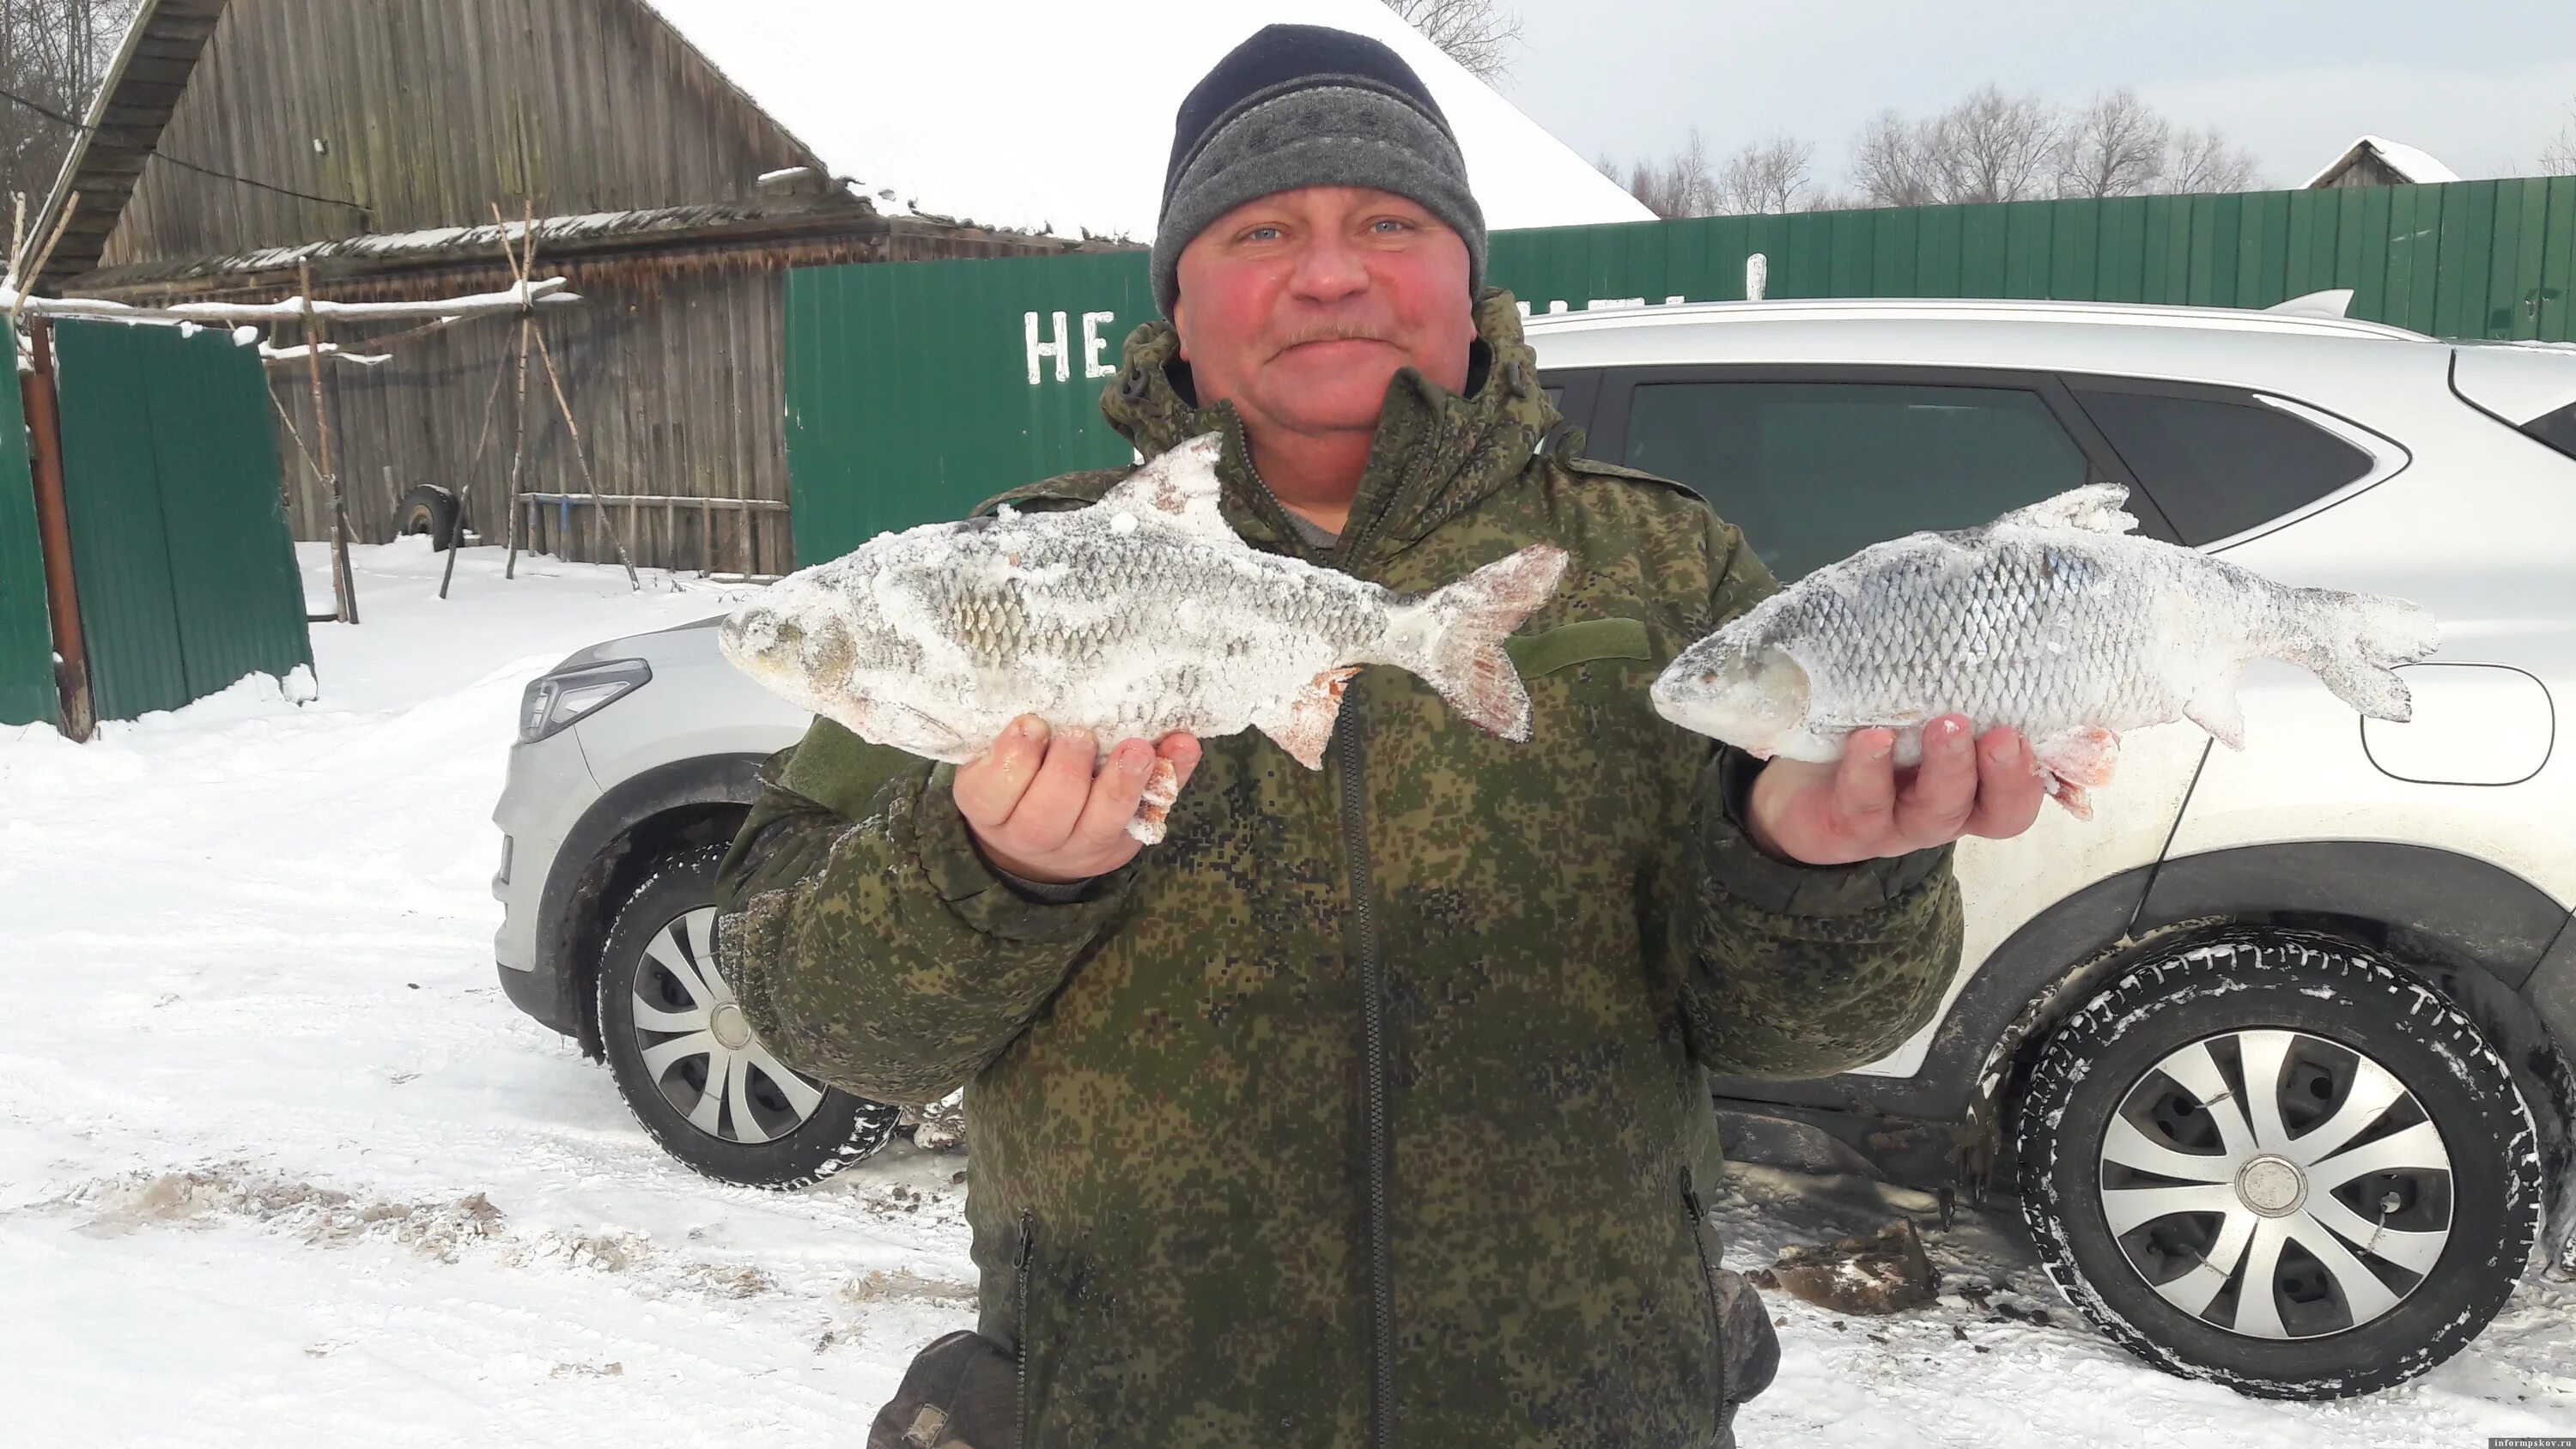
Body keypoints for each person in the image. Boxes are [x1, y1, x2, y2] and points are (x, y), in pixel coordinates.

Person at [714, 23, 2045, 1448]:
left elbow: (1803, 1029)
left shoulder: (1668, 571)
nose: (1332, 271)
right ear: (1180, 294)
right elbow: (816, 1020)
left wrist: (1819, 872)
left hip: (1588, 1407)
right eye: (1263, 228)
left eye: (1390, 223)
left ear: (1470, 275)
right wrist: (991, 872)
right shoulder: (996, 587)